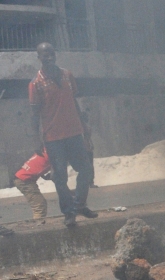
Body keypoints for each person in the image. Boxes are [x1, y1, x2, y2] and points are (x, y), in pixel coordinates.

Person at [29, 42, 97, 228]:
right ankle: (68, 212)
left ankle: (80, 205)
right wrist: (36, 139)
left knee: (86, 170)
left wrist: (84, 126)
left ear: (55, 54)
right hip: (53, 137)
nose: (49, 57)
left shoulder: (67, 75)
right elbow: (34, 114)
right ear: (39, 57)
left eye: (51, 54)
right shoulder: (35, 84)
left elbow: (74, 101)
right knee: (60, 177)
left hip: (74, 133)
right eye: (45, 55)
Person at [13, 149, 51, 220]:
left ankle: (39, 223)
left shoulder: (44, 151)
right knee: (39, 204)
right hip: (24, 179)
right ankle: (38, 225)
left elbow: (37, 164)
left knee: (39, 203)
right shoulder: (52, 154)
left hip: (22, 177)